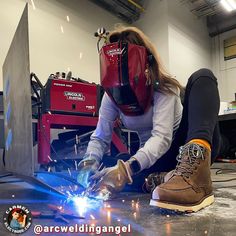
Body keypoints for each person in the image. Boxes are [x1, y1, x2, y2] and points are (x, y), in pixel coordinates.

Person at [77, 26, 221, 212]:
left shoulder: (164, 88)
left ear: (146, 66)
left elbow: (162, 138)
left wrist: (127, 169)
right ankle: (161, 178)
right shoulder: (111, 94)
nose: (122, 92)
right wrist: (89, 163)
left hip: (183, 150)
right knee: (115, 163)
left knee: (203, 76)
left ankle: (194, 174)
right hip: (154, 160)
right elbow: (100, 136)